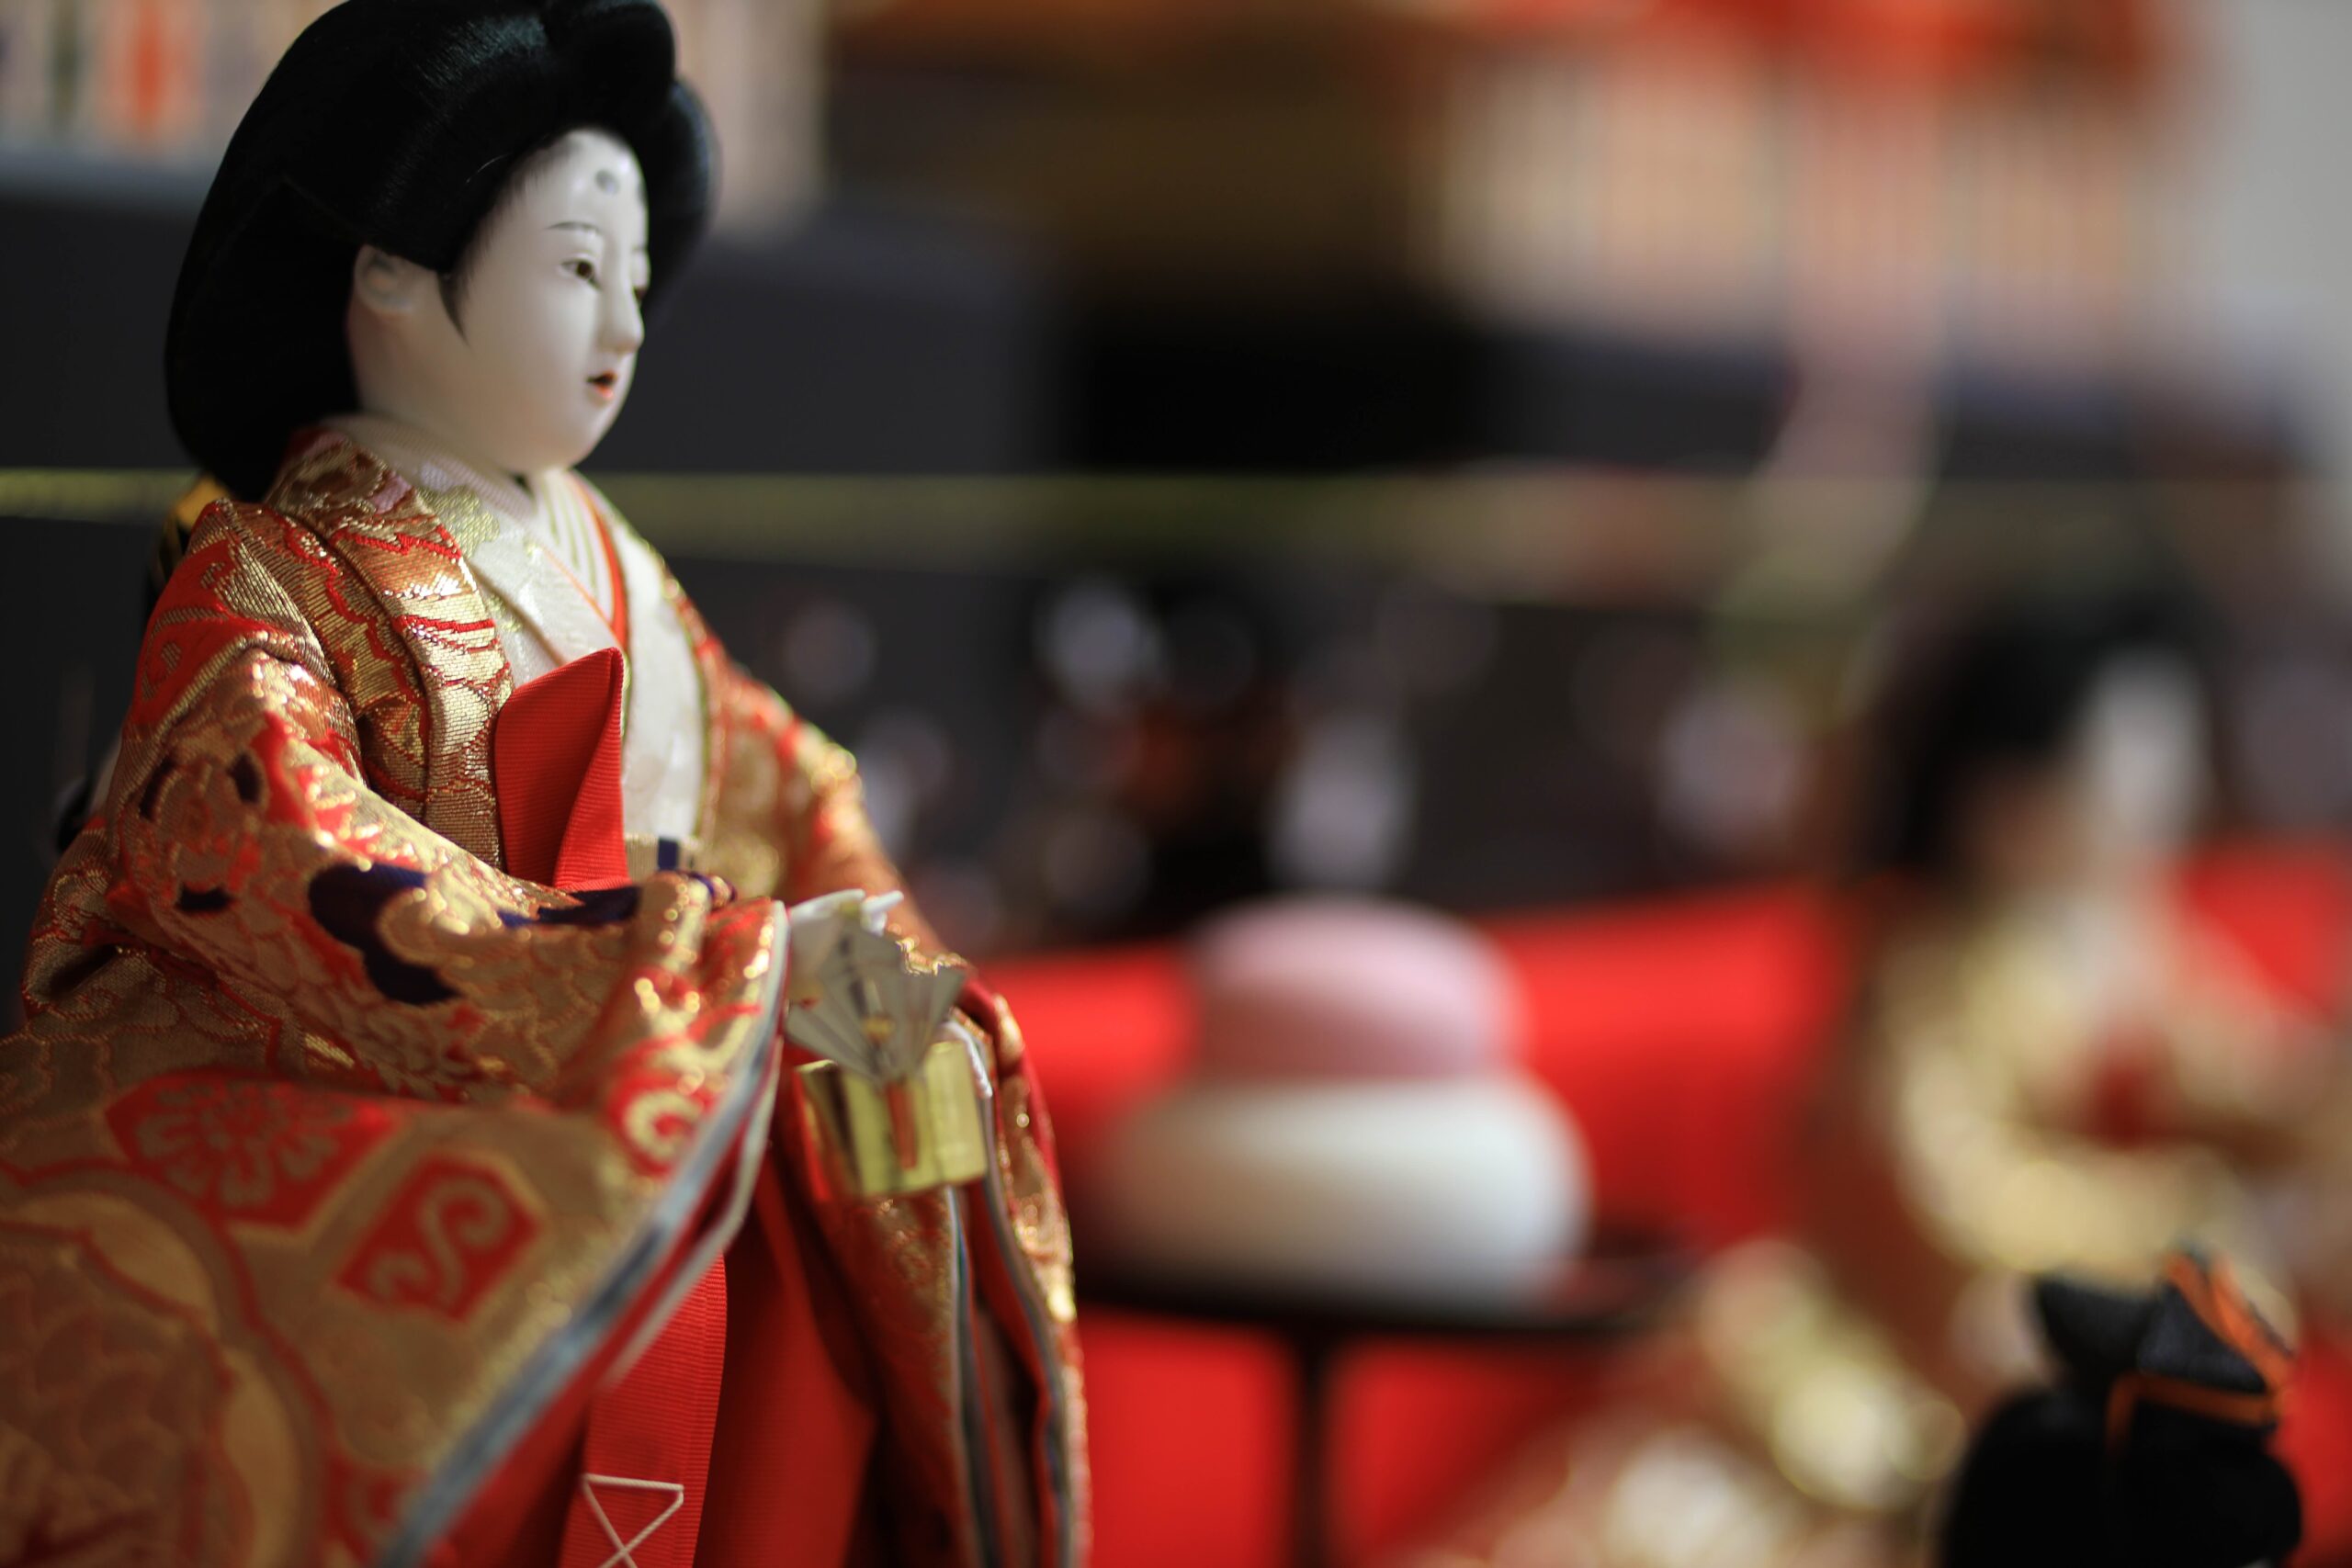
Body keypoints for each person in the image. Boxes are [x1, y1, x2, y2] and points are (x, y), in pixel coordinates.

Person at [0, 5, 1083, 1565]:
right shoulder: (275, 569)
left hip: (654, 1083)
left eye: (638, 284)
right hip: (395, 1106)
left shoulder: (620, 571)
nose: (624, 331)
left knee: (873, 1134)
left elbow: (793, 793)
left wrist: (858, 963)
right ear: (386, 266)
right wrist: (650, 969)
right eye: (578, 271)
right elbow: (254, 835)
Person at [1397, 581, 2351, 1567]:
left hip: (2029, 1328)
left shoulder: (2134, 943)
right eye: (2124, 764)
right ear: (2003, 795)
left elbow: (2247, 1085)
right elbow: (1949, 1193)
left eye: (2168, 758)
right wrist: (2199, 1214)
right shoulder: (1929, 968)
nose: (2157, 796)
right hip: (1885, 1353)